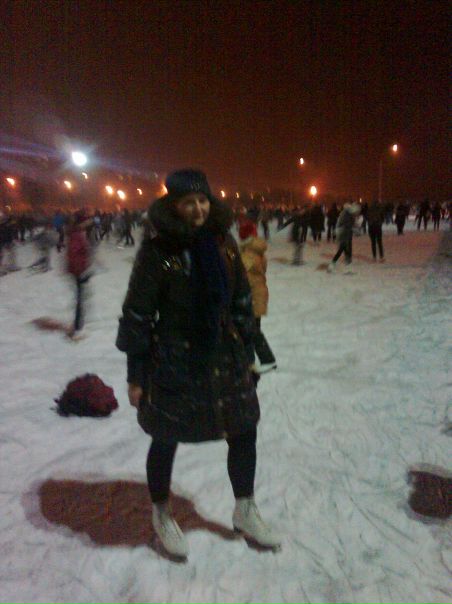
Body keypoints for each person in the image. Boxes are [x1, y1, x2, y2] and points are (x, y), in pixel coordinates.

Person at [116, 169, 281, 559]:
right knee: (166, 435)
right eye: (189, 202)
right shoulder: (158, 251)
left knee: (243, 430)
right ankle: (161, 512)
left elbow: (241, 301)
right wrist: (136, 376)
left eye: (203, 200)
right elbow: (138, 316)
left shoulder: (223, 244)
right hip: (175, 360)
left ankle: (245, 508)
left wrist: (248, 350)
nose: (198, 209)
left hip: (225, 356)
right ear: (174, 205)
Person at [238, 219, 276, 373]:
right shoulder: (255, 251)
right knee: (252, 329)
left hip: (253, 295)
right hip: (258, 293)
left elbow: (240, 272)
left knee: (251, 330)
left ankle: (266, 360)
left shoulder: (248, 254)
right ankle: (251, 361)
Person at [66, 211, 93, 340]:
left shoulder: (78, 233)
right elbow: (74, 255)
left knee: (81, 298)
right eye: (86, 221)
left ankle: (78, 325)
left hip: (79, 270)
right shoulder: (77, 235)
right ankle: (77, 327)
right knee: (80, 299)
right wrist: (80, 272)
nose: (88, 223)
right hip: (78, 271)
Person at [327, 202, 361, 272]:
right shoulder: (347, 214)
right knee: (342, 250)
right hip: (343, 234)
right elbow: (346, 225)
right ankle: (332, 264)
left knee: (345, 251)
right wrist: (354, 228)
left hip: (345, 234)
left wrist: (355, 227)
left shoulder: (347, 213)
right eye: (356, 212)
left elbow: (350, 224)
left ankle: (346, 265)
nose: (356, 214)